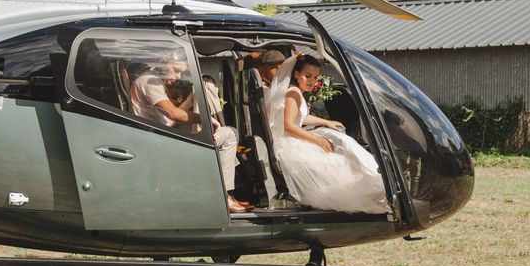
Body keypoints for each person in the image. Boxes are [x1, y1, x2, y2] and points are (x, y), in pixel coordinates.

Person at [267, 54, 389, 213]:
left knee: (340, 141)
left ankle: (375, 181)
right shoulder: (293, 93)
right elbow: (289, 125)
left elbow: (300, 116)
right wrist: (316, 140)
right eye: (307, 76)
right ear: (296, 74)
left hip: (293, 136)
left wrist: (325, 122)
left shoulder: (295, 91)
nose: (312, 81)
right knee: (338, 157)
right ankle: (372, 185)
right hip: (288, 143)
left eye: (315, 77)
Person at [130, 52, 248, 213]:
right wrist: (206, 119)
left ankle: (225, 190)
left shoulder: (153, 80)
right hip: (158, 141)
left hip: (164, 133)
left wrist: (193, 98)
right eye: (176, 70)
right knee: (229, 136)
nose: (178, 76)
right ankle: (223, 195)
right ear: (164, 62)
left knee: (227, 131)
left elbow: (172, 116)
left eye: (181, 72)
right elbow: (174, 114)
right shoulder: (148, 81)